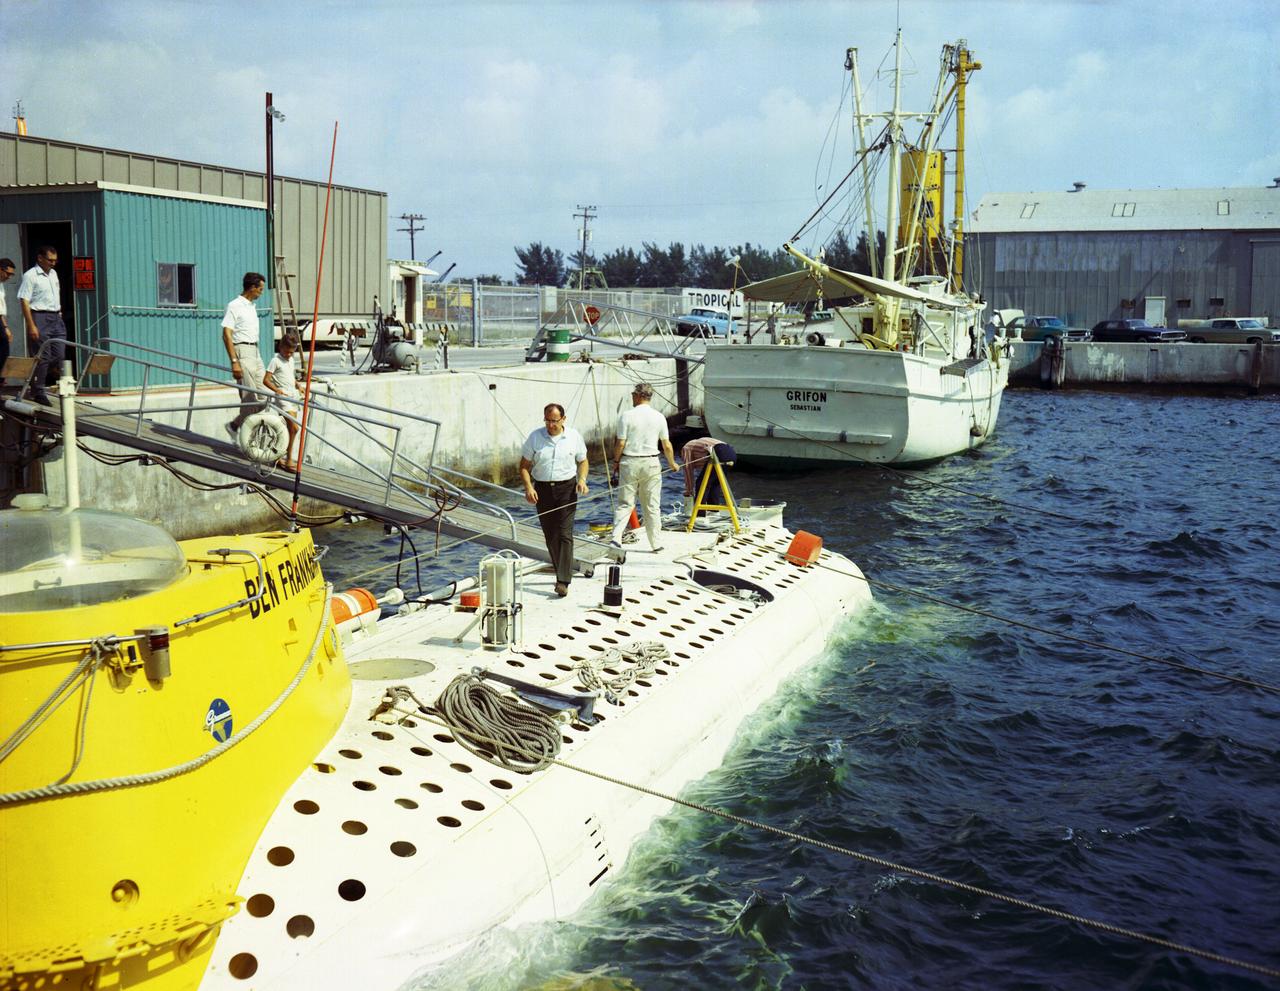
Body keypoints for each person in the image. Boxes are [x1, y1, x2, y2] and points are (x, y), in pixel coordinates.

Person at [520, 403, 589, 597]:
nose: (551, 425)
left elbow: (583, 461)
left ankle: (563, 580)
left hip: (567, 488)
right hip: (542, 490)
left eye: (554, 421)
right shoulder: (535, 437)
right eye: (548, 421)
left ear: (563, 420)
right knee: (551, 536)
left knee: (565, 533)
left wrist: (582, 480)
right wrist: (528, 487)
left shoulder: (574, 436)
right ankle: (562, 572)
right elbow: (524, 466)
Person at [608, 382, 678, 553]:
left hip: (630, 462)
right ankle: (656, 544)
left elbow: (621, 443)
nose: (632, 397)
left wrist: (615, 462)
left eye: (633, 394)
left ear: (638, 396)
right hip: (652, 463)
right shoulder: (659, 417)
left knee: (625, 503)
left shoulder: (626, 416)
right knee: (652, 506)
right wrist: (672, 464)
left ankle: (616, 540)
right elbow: (667, 445)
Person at [16, 247, 65, 405]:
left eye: (55, 260)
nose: (53, 263)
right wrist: (31, 325)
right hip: (39, 316)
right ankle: (39, 390)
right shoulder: (30, 276)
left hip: (55, 317)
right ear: (40, 258)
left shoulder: (53, 274)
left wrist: (59, 312)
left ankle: (34, 377)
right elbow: (24, 300)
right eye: (50, 260)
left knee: (59, 353)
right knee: (42, 355)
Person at [222, 272, 268, 438]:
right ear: (252, 287)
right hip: (242, 350)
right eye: (260, 289)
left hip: (256, 352)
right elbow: (226, 334)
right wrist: (234, 361)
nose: (261, 292)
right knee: (249, 398)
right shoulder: (235, 305)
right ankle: (247, 439)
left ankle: (234, 426)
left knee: (265, 396)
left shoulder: (251, 307)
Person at [264, 331, 303, 471]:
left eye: (291, 352)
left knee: (289, 430)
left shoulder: (291, 360)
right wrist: (276, 390)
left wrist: (298, 385)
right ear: (280, 347)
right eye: (286, 352)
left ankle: (280, 456)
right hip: (283, 398)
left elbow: (290, 376)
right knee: (294, 428)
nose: (288, 355)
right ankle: (288, 458)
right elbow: (266, 380)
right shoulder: (275, 361)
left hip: (293, 396)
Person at [680, 436, 736, 510]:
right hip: (731, 453)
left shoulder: (686, 448)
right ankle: (713, 511)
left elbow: (688, 469)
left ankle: (700, 513)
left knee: (702, 483)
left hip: (718, 451)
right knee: (714, 483)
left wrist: (689, 491)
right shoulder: (699, 446)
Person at [0, 258, 15, 373]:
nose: (9, 277)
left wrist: (6, 327)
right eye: (8, 273)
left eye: (12, 275)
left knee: (4, 348)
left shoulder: (1, 285)